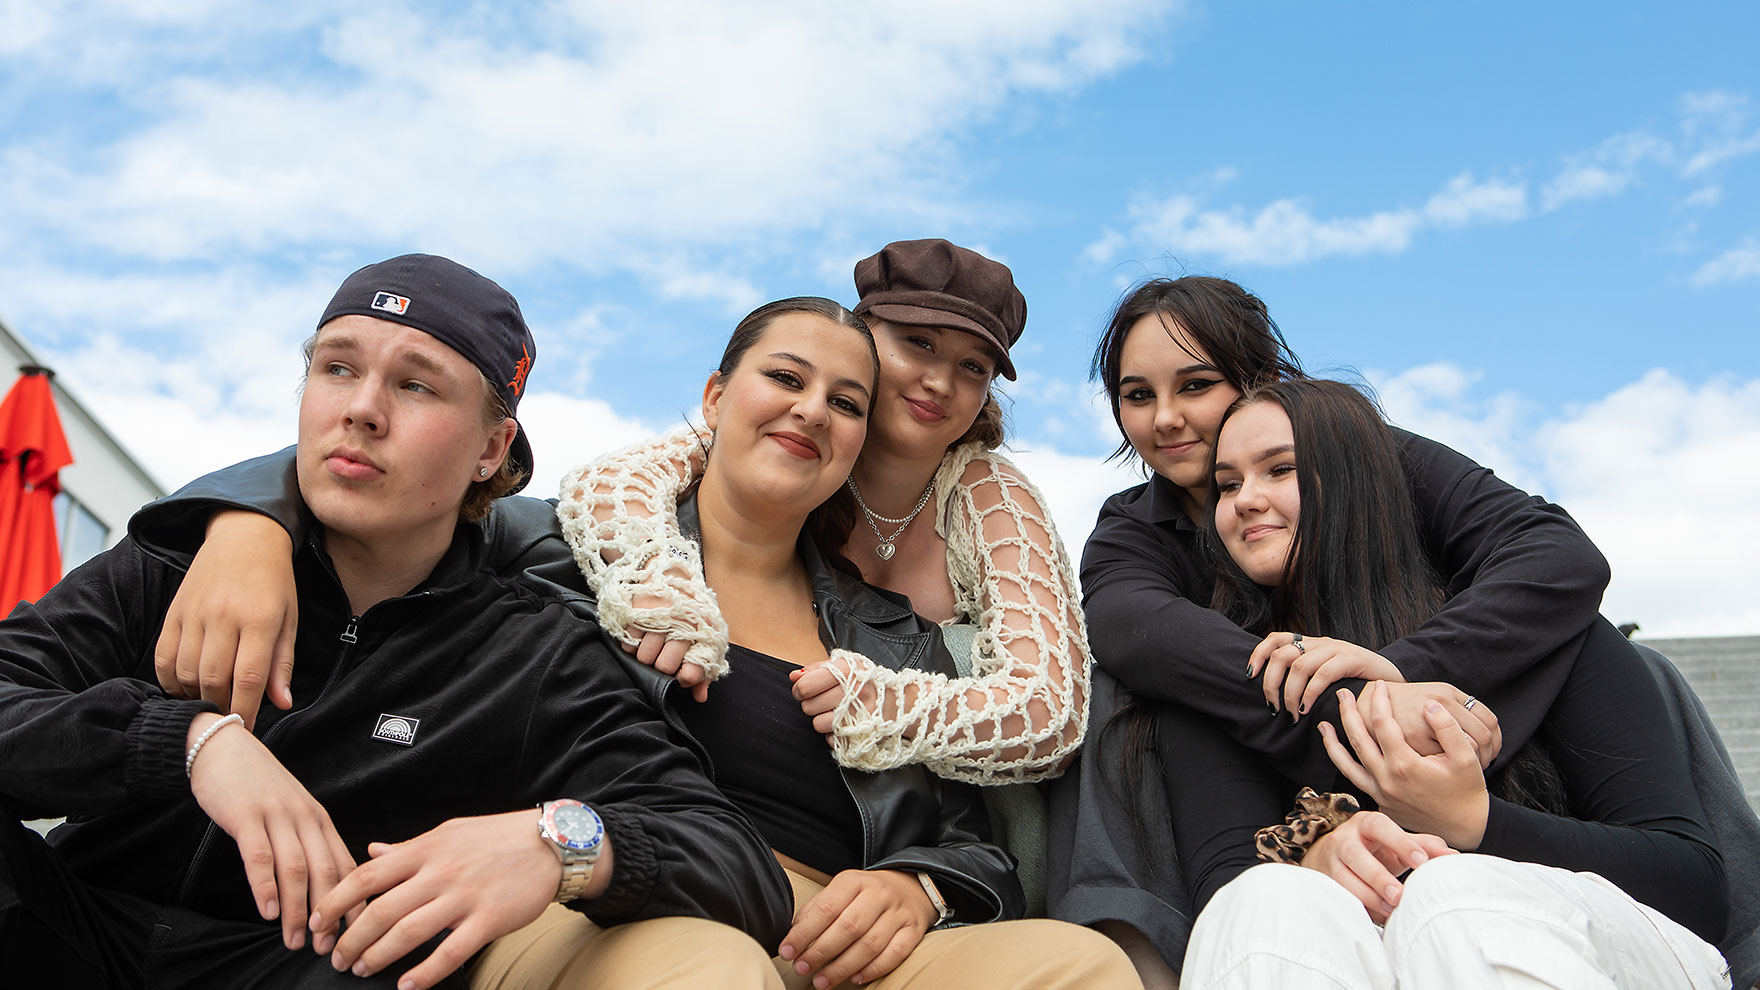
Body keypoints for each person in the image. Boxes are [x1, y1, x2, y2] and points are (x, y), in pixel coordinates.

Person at [129, 294, 1140, 988]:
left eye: (846, 403)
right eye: (784, 378)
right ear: (713, 397)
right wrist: (246, 523)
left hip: (833, 929)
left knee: (1079, 967)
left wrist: (920, 886)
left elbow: (975, 841)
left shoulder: (889, 641)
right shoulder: (560, 545)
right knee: (709, 972)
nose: (810, 412)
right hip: (603, 886)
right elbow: (388, 479)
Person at [0, 254, 792, 989]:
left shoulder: (531, 653)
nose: (362, 411)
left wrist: (558, 841)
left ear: (492, 449)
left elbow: (737, 863)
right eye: (337, 368)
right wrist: (185, 742)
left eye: (416, 386)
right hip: (69, 930)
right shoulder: (180, 564)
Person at [1046, 274, 1760, 988]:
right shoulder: (1152, 552)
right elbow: (1133, 627)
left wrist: (1412, 690)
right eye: (1137, 395)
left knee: (1450, 897)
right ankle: (1132, 948)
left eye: (1196, 386)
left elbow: (1558, 556)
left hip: (1553, 902)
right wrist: (1343, 775)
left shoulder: (1395, 469)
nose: (1165, 418)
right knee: (1255, 881)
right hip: (1304, 846)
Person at [1166, 379, 1728, 987]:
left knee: (1447, 891)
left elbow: (1694, 887)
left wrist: (1474, 823)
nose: (1246, 499)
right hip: (1357, 959)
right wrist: (1314, 856)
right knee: (1263, 901)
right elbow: (1226, 886)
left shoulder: (1542, 634)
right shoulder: (1223, 671)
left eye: (1281, 469)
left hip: (1599, 944)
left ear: (1357, 483)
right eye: (1226, 485)